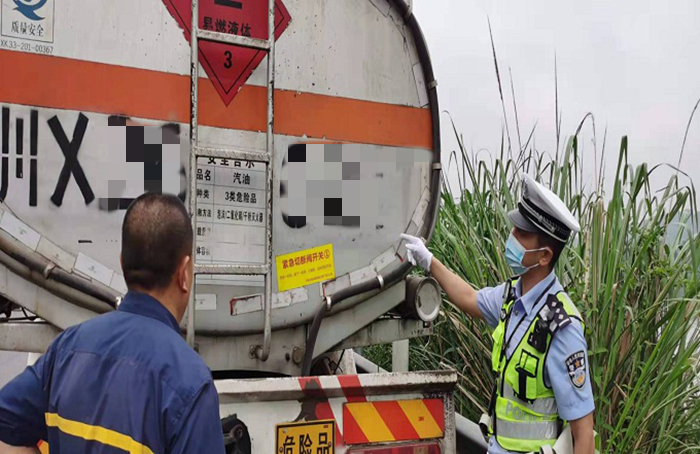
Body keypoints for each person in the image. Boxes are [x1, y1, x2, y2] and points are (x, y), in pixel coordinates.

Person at [0, 193, 225, 454]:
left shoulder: (66, 349)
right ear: (184, 273)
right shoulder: (189, 382)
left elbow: (6, 425)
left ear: (122, 262)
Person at [401, 174, 595, 454]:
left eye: (523, 234)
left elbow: (583, 431)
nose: (512, 237)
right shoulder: (511, 297)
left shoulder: (561, 328)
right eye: (515, 229)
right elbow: (468, 297)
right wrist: (428, 260)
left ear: (544, 256)